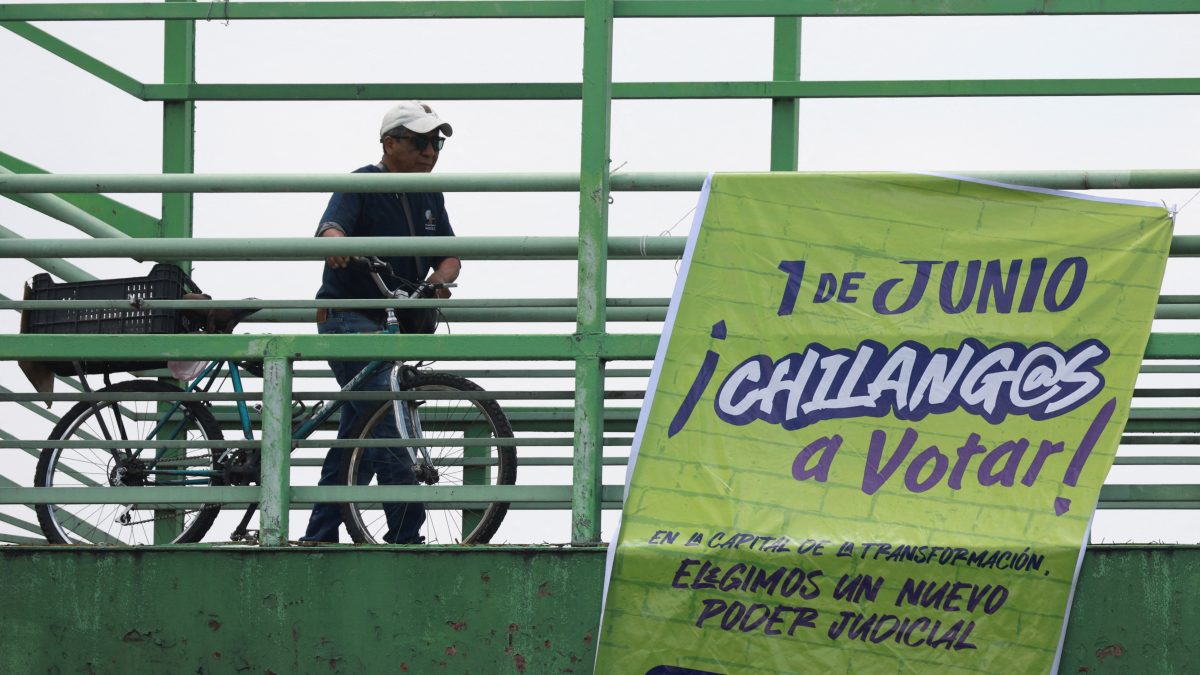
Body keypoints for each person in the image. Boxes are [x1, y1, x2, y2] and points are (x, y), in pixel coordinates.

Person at [300, 100, 462, 544]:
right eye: (419, 141)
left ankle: (319, 534)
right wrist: (334, 241)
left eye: (437, 142)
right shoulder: (362, 183)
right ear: (389, 144)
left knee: (362, 427)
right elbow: (331, 227)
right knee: (381, 421)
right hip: (350, 316)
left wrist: (439, 280)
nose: (430, 151)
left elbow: (449, 254)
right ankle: (407, 534)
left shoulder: (430, 194)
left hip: (396, 323)